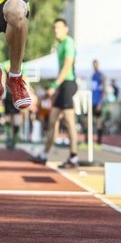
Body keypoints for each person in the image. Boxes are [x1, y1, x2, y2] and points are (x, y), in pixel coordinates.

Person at [33, 18, 79, 168]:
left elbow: (67, 67)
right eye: (54, 28)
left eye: (58, 28)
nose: (55, 31)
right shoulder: (59, 46)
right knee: (52, 120)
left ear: (66, 29)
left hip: (68, 83)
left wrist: (54, 86)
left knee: (69, 120)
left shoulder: (69, 43)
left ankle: (73, 157)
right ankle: (44, 154)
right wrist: (56, 87)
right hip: (62, 86)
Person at [90, 59, 104, 142]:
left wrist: (100, 103)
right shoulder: (93, 76)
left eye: (96, 64)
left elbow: (103, 90)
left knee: (99, 121)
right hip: (92, 101)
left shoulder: (101, 76)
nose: (95, 66)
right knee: (87, 120)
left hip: (98, 102)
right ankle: (87, 140)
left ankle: (99, 141)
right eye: (94, 64)